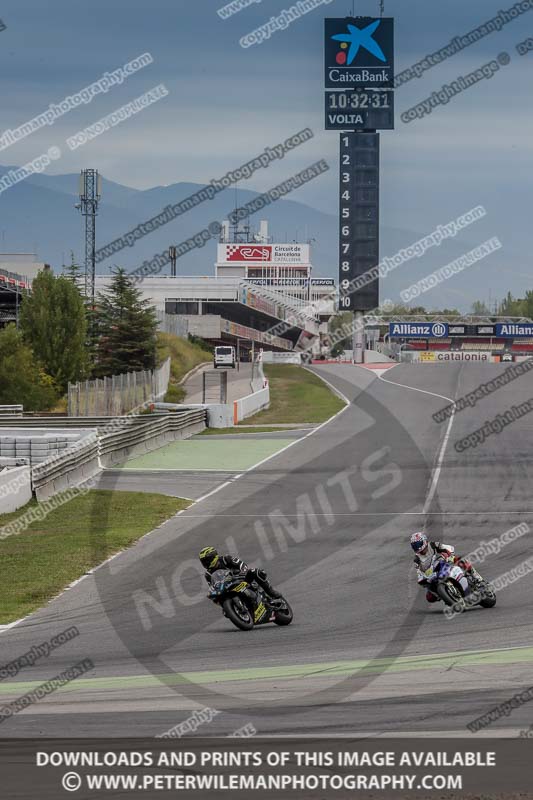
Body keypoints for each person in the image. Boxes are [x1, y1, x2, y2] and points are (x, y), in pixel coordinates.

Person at [410, 532, 482, 603]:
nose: (417, 547)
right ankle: (446, 595)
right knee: (430, 597)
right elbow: (419, 572)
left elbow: (448, 548)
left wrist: (449, 555)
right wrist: (422, 579)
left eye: (418, 544)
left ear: (424, 541)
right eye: (414, 546)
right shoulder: (417, 559)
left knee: (460, 561)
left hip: (444, 563)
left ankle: (478, 579)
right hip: (433, 574)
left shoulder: (433, 545)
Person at [199, 547, 282, 601]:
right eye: (203, 561)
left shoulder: (226, 559)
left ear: (214, 557)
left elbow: (242, 565)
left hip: (240, 579)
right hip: (226, 587)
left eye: (207, 560)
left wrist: (241, 572)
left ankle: (270, 591)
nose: (205, 563)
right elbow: (212, 587)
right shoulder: (208, 574)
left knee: (254, 571)